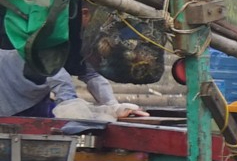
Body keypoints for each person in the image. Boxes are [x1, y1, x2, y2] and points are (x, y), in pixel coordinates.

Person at [0, 50, 144, 119]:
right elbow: (59, 79)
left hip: (35, 104)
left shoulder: (76, 40)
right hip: (14, 102)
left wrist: (113, 108)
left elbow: (89, 73)